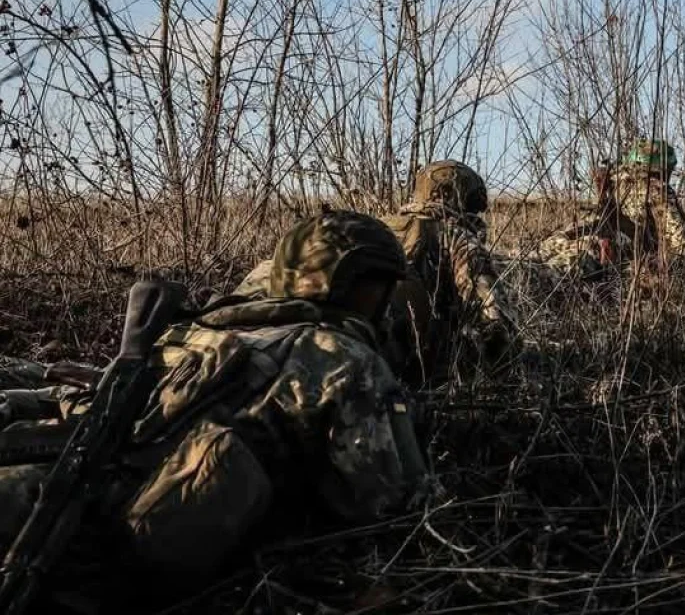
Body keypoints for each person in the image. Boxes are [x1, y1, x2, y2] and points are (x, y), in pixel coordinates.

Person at [0, 210, 429, 606]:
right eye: (379, 288)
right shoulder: (344, 358)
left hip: (52, 499)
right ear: (349, 284)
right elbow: (393, 508)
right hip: (121, 549)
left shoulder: (193, 330)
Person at [383, 160, 518, 386]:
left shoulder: (380, 226)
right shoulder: (455, 237)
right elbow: (494, 321)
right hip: (417, 375)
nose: (476, 217)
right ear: (452, 197)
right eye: (472, 206)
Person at [539, 138, 685, 277]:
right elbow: (684, 246)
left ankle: (541, 269)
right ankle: (542, 267)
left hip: (621, 249)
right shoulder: (635, 184)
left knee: (582, 248)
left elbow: (683, 245)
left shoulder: (631, 184)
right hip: (612, 246)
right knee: (569, 245)